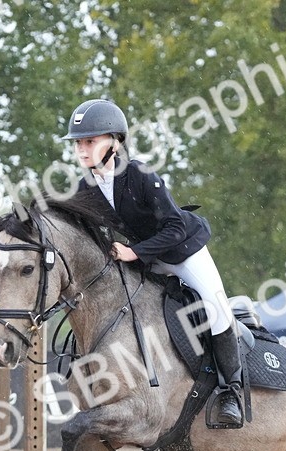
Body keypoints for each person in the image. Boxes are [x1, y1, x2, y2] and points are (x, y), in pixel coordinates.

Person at [63, 98, 244, 428]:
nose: (81, 150)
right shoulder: (85, 188)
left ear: (115, 142)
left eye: (89, 141)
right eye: (78, 143)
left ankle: (231, 392)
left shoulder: (140, 174)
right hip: (146, 262)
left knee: (217, 307)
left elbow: (174, 227)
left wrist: (134, 252)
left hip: (182, 251)